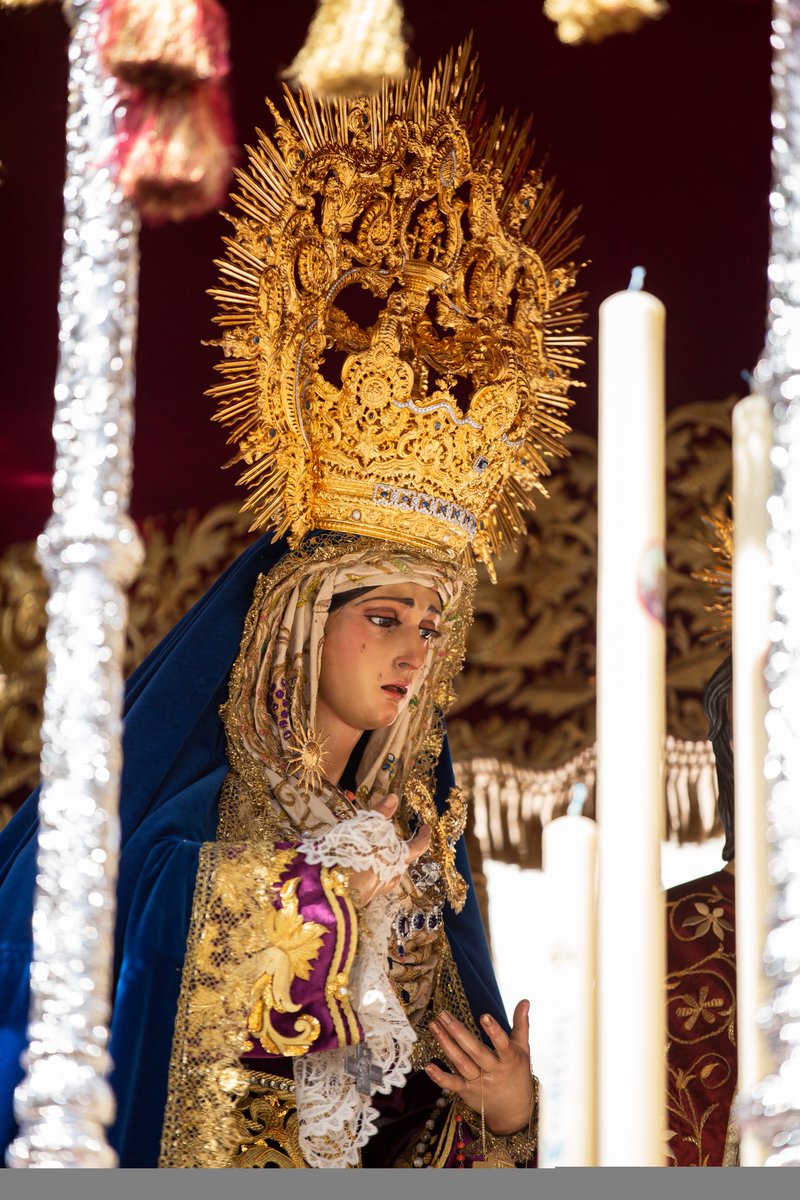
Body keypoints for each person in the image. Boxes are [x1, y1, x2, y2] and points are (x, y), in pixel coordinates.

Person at [0, 40, 584, 1167]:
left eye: (430, 623)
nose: (415, 649)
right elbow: (165, 1063)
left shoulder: (424, 844)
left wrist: (511, 1113)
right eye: (383, 615)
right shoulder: (192, 837)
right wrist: (326, 914)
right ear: (295, 620)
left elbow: (433, 1115)